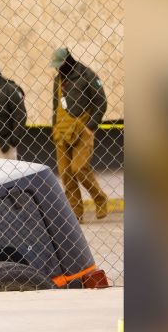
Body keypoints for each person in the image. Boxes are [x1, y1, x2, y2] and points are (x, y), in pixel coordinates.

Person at [50, 46, 109, 221]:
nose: (57, 68)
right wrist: (54, 126)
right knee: (66, 174)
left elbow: (101, 102)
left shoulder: (86, 75)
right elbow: (55, 106)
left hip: (82, 130)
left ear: (68, 61)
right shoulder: (58, 80)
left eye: (59, 65)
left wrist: (90, 126)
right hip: (62, 132)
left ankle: (99, 197)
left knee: (79, 168)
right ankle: (76, 214)